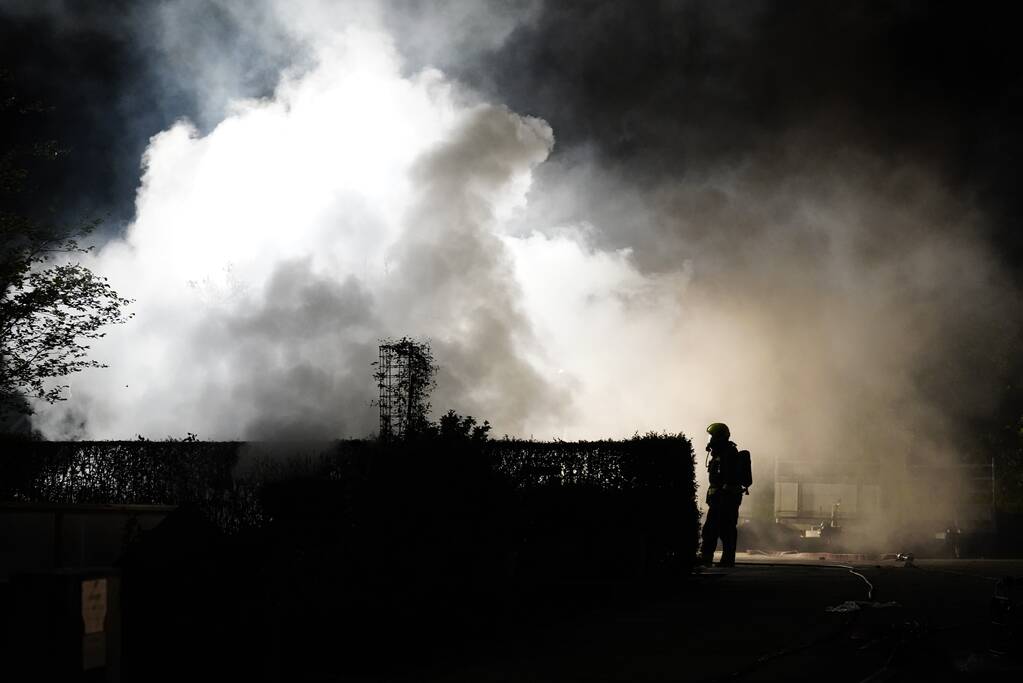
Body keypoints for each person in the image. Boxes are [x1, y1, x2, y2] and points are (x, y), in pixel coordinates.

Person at [700, 422, 744, 567]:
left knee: (712, 529)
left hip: (725, 499)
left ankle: (707, 557)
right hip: (723, 498)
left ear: (719, 437)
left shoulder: (728, 454)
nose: (710, 440)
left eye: (711, 437)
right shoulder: (721, 453)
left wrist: (722, 495)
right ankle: (726, 560)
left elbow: (728, 478)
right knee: (726, 529)